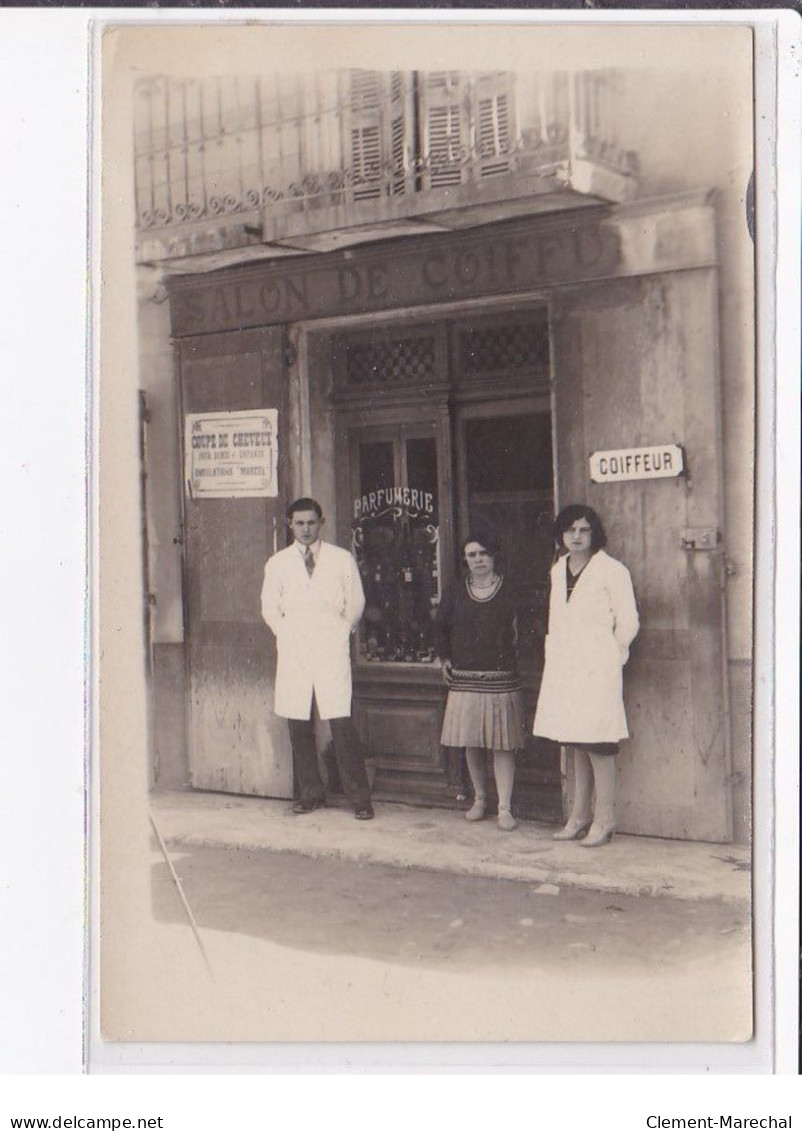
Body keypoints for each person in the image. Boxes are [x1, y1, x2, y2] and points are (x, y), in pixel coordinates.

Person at [261, 497, 374, 820]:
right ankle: (310, 793)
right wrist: (285, 632)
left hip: (329, 646)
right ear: (290, 525)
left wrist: (342, 632)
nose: (306, 529)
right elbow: (269, 607)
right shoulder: (278, 563)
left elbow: (356, 601)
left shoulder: (341, 559)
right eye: (299, 523)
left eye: (311, 522)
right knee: (298, 721)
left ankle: (359, 798)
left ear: (321, 523)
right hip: (295, 648)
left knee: (340, 721)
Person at [533, 504, 639, 847]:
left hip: (598, 666)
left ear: (594, 533)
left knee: (599, 743)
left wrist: (612, 655)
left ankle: (605, 818)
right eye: (570, 530)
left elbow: (628, 622)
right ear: (561, 535)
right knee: (575, 741)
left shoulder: (612, 570)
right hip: (567, 667)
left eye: (583, 530)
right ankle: (578, 816)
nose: (576, 537)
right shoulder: (557, 569)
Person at [435, 533, 527, 832]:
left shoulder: (510, 589)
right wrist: (444, 658)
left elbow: (527, 628)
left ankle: (504, 807)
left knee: (502, 744)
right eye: (472, 555)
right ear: (466, 559)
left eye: (484, 554)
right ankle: (480, 799)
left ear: (494, 556)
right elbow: (441, 627)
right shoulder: (455, 591)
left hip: (501, 678)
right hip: (465, 676)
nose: (478, 560)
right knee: (471, 740)